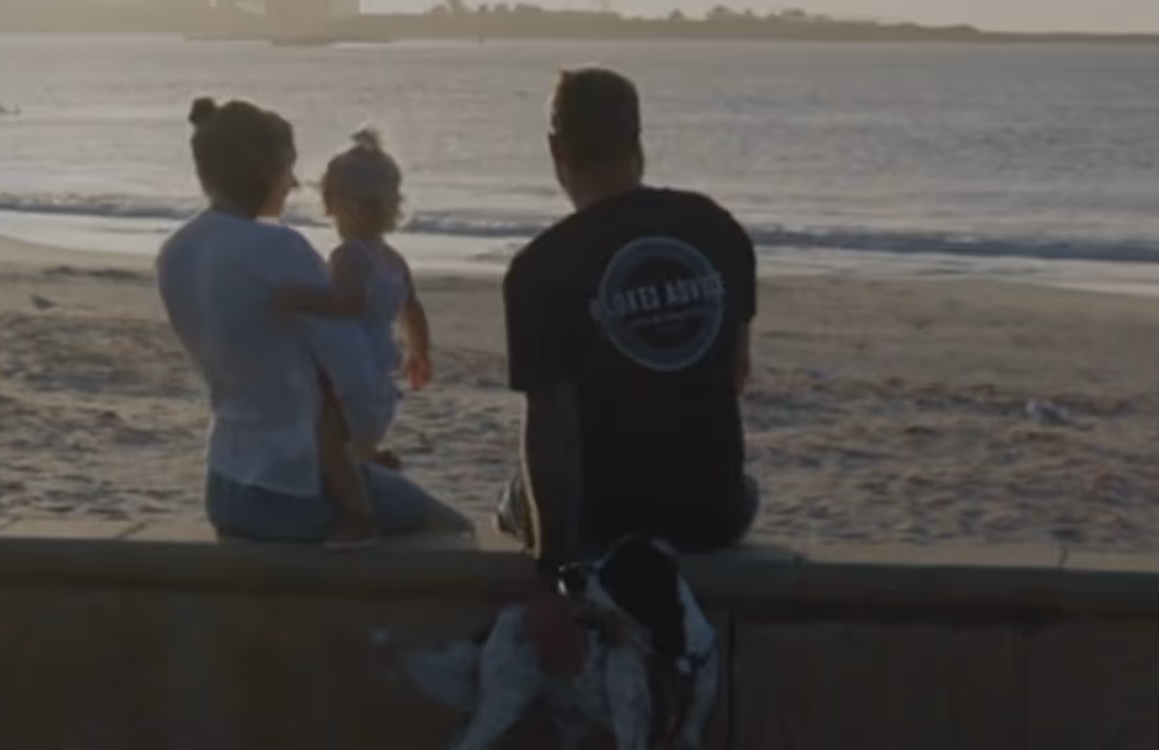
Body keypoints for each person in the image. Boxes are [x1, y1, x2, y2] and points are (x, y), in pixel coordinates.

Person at [501, 67, 758, 671]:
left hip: (600, 516)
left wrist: (553, 582)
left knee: (513, 499)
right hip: (711, 511)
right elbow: (735, 375)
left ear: (556, 150)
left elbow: (551, 431)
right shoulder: (716, 229)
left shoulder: (541, 268)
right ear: (637, 139)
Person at [156, 97, 466, 548]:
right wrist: (365, 443)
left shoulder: (175, 252)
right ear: (265, 169)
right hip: (292, 487)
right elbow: (354, 379)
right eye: (288, 169)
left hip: (224, 484)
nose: (294, 183)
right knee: (452, 531)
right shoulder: (278, 249)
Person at [273, 127, 435, 475]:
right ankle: (370, 458)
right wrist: (419, 353)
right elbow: (412, 308)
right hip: (381, 364)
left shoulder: (349, 256)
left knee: (335, 431)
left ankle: (364, 468)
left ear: (337, 204)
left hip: (353, 366)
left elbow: (345, 302)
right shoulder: (393, 259)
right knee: (362, 430)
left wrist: (298, 299)